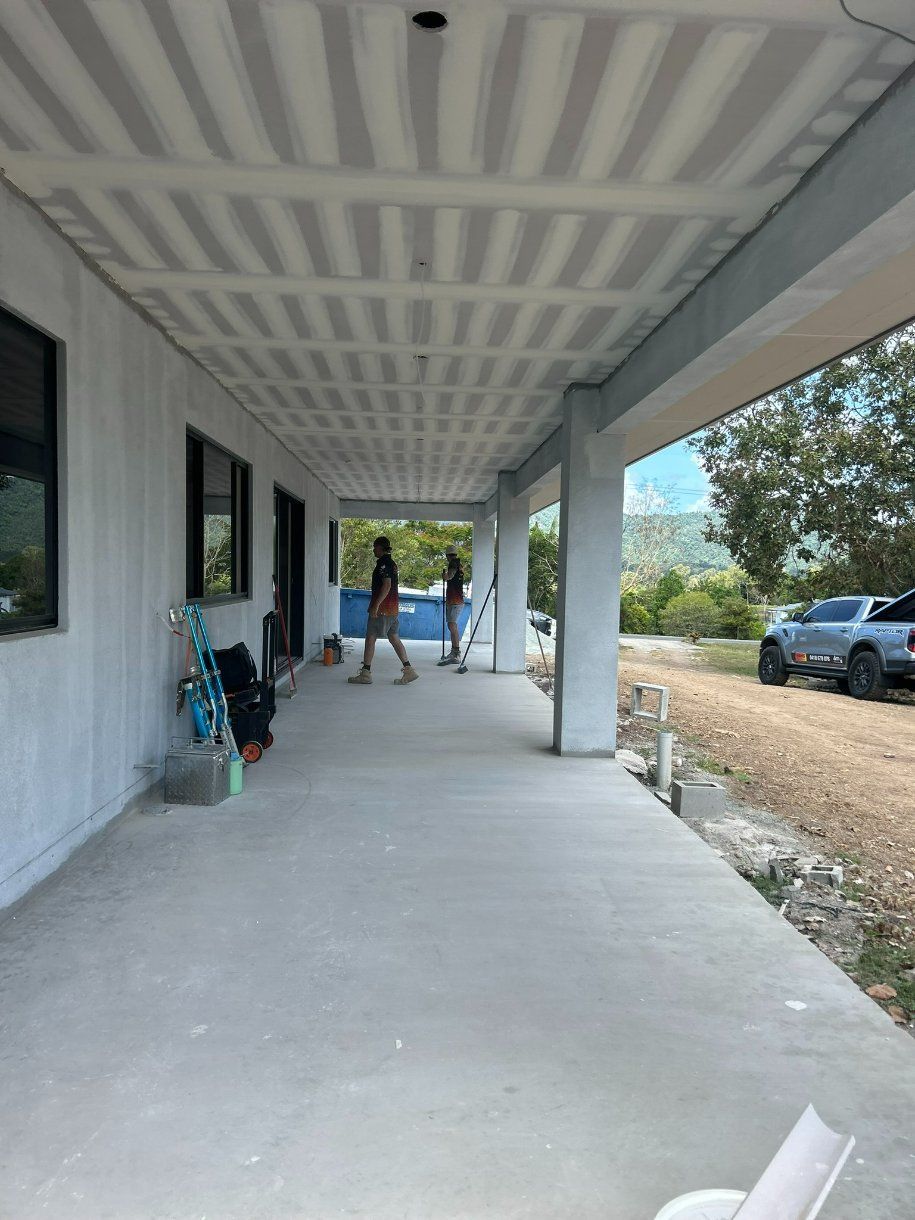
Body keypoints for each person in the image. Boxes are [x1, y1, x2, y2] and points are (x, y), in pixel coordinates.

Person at [348, 536, 419, 686]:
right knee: (394, 638)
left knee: (370, 637)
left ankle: (365, 673)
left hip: (383, 609)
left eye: (375, 547)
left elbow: (386, 586)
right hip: (392, 609)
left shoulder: (384, 564)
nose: (373, 549)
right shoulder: (391, 563)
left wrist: (376, 605)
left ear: (380, 547)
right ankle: (409, 670)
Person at [437, 544, 465, 665]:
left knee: (452, 625)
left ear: (447, 555)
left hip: (455, 600)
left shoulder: (453, 564)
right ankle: (454, 651)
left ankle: (456, 653)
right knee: (451, 625)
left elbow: (449, 576)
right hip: (454, 600)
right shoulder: (458, 564)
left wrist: (445, 576)